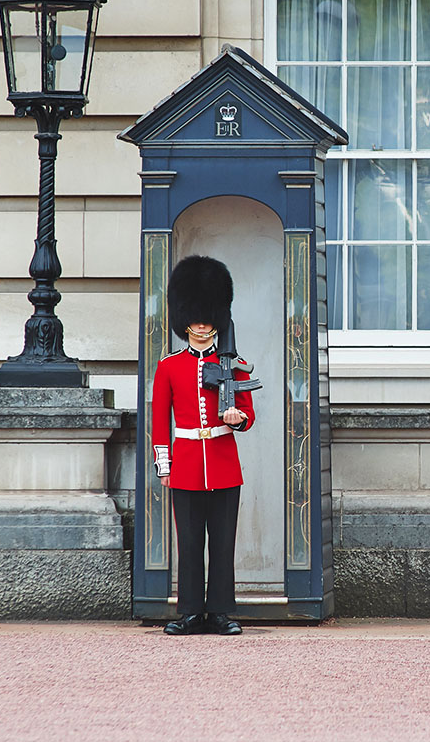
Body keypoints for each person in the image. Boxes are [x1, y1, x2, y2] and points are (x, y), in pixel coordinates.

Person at [152, 255, 256, 636]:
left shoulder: (235, 365)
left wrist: (236, 418)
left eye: (207, 315)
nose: (200, 323)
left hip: (224, 463)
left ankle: (222, 612)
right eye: (194, 316)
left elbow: (248, 413)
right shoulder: (169, 366)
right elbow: (159, 419)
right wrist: (165, 465)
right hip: (186, 466)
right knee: (190, 542)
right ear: (185, 318)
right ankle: (190, 612)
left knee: (223, 544)